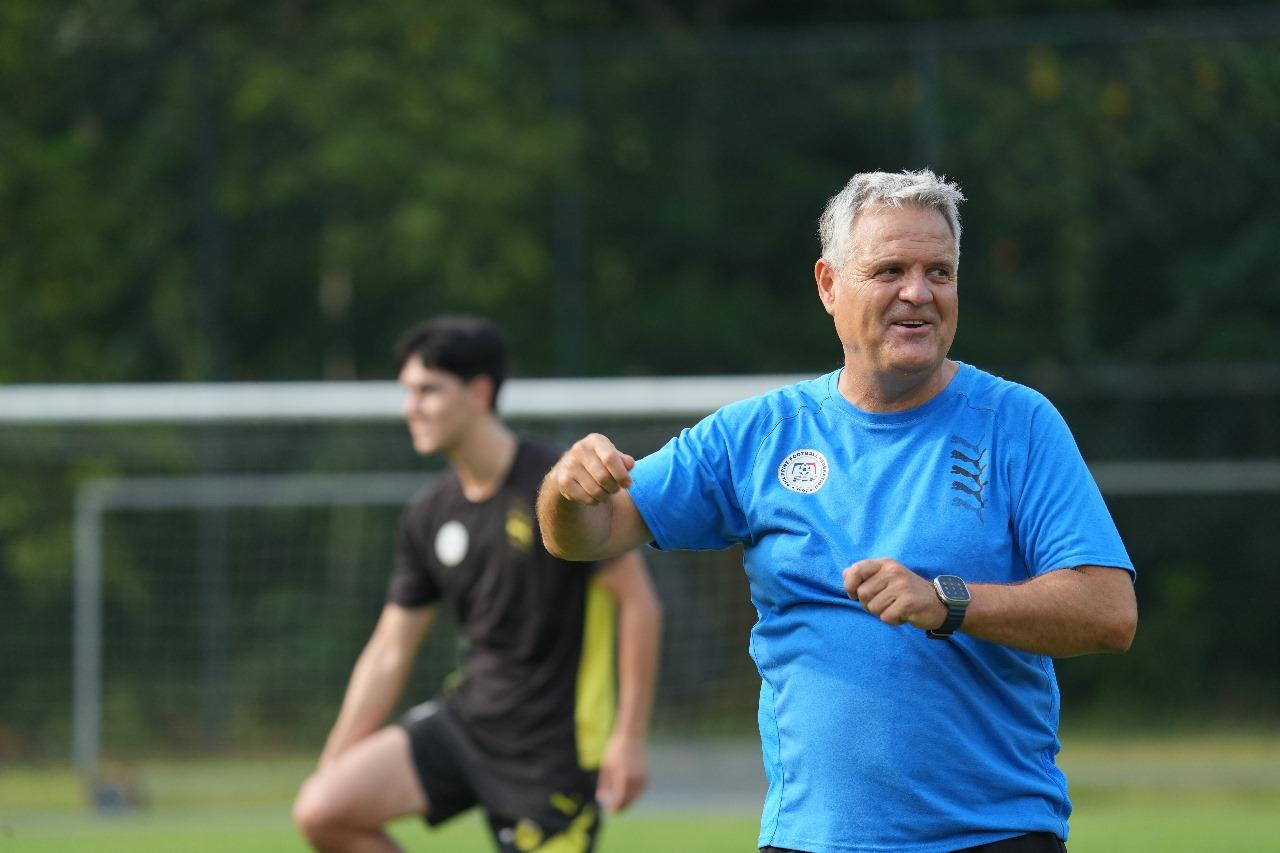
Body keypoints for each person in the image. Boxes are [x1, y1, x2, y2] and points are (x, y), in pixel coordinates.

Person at [537, 170, 1137, 853]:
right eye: (890, 270)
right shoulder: (758, 434)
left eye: (938, 271)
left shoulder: (1017, 424)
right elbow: (590, 536)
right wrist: (564, 491)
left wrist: (949, 600)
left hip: (993, 834)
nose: (919, 292)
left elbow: (1108, 611)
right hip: (812, 838)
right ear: (829, 284)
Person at [294, 316, 662, 853]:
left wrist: (628, 737)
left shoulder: (556, 488)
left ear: (480, 392)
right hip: (470, 724)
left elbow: (640, 606)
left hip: (551, 750)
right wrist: (333, 763)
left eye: (427, 390)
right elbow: (390, 650)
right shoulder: (427, 514)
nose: (410, 408)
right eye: (406, 392)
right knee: (323, 810)